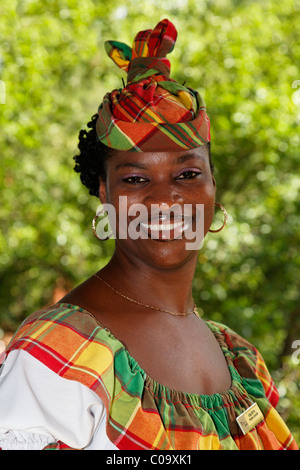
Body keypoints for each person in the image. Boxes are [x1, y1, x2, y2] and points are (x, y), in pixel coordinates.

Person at [0, 19, 298, 451]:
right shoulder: (56, 354)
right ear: (105, 195)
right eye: (136, 180)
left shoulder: (244, 361)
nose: (165, 200)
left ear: (214, 188)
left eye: (188, 174)